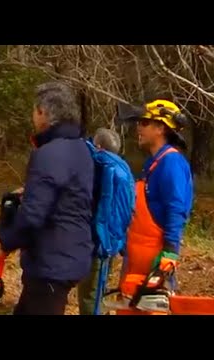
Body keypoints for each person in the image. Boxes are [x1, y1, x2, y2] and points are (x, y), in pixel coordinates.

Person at [0, 81, 95, 315]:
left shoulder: (49, 154)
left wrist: (6, 241)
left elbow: (32, 215)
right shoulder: (81, 148)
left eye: (34, 110)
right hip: (70, 253)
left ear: (43, 113)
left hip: (52, 262)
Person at [118, 99, 194, 314]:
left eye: (144, 123)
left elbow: (176, 208)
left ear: (160, 128)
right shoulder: (153, 163)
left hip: (155, 258)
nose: (138, 128)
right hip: (138, 256)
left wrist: (170, 251)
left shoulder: (171, 163)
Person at [76, 128, 123, 315]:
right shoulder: (121, 170)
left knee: (90, 293)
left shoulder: (100, 169)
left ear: (99, 146)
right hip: (111, 240)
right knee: (97, 290)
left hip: (97, 239)